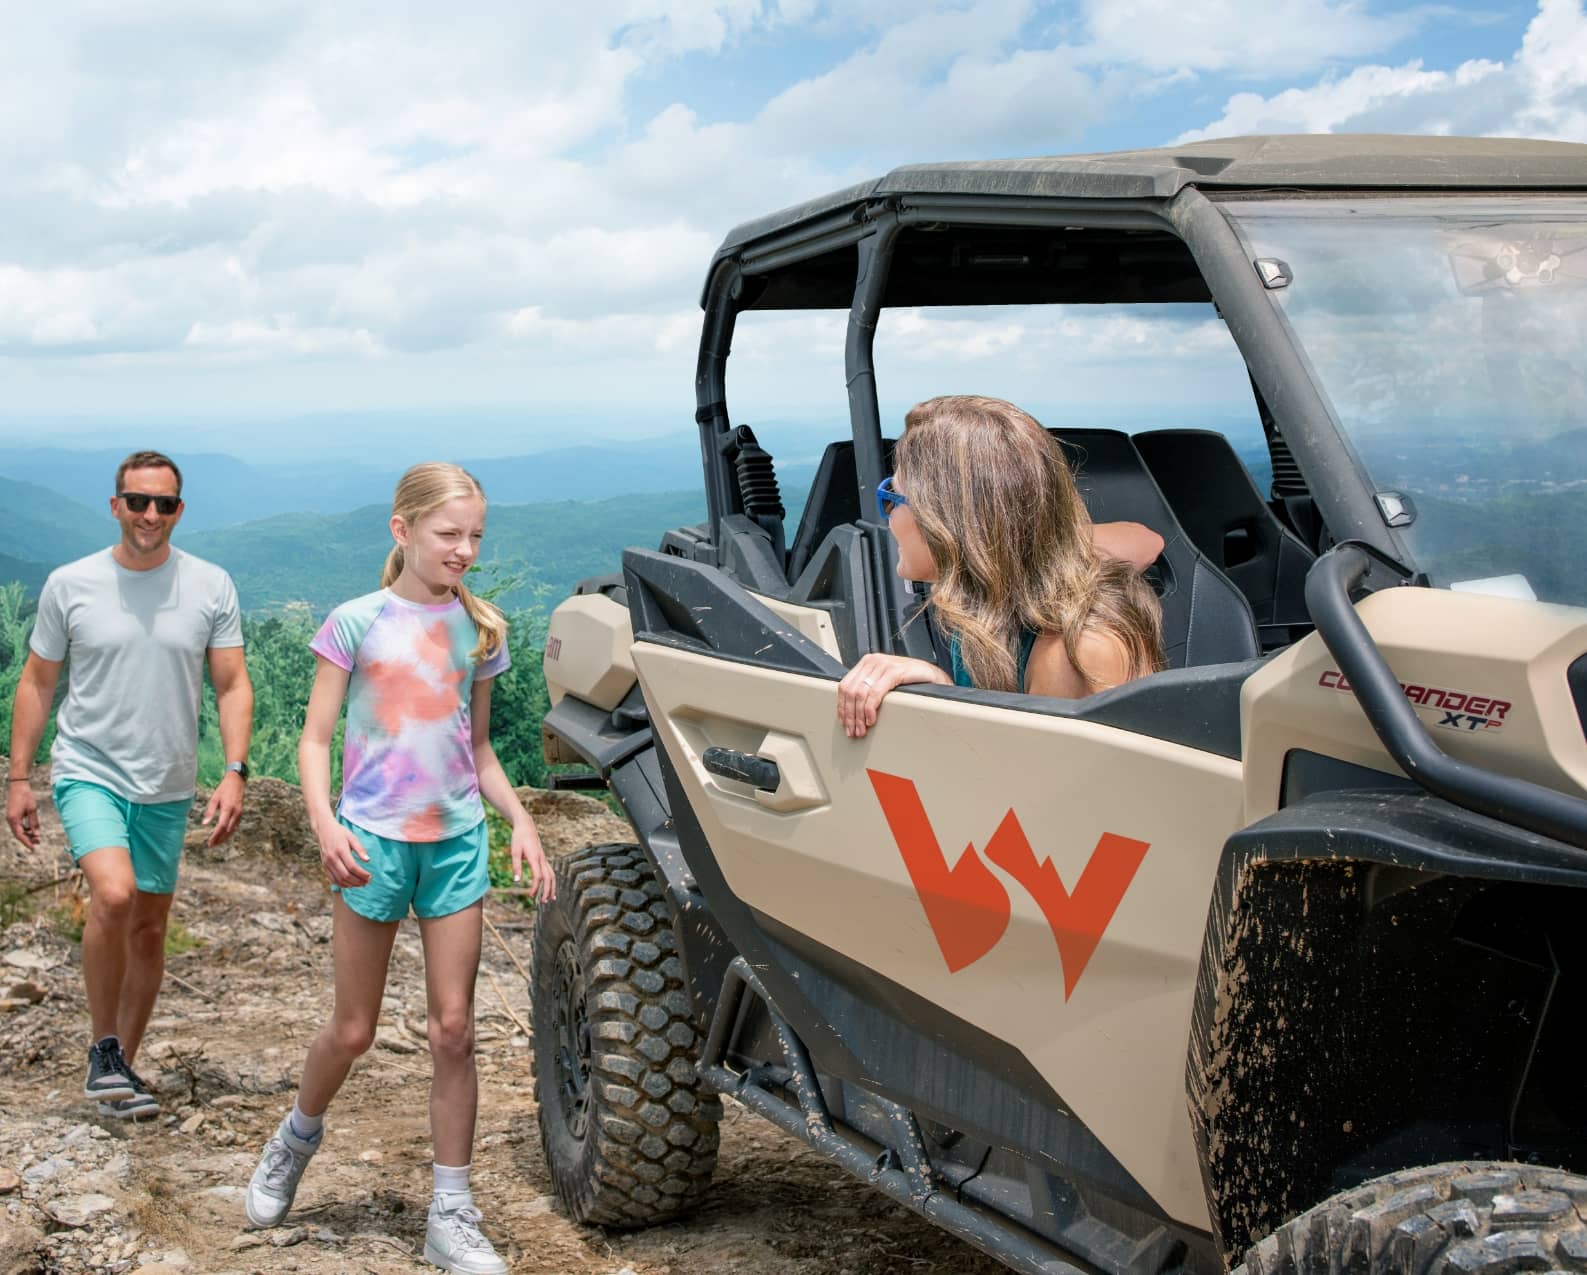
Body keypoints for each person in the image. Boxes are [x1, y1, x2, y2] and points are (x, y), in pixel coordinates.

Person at [244, 461, 553, 1275]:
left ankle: (451, 1212)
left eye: (475, 535)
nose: (464, 550)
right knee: (354, 1028)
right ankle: (295, 1136)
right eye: (448, 533)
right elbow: (315, 738)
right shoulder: (355, 622)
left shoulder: (480, 629)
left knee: (455, 1029)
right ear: (402, 529)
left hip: (454, 843)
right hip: (371, 841)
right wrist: (323, 823)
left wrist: (519, 819)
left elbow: (477, 748)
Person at [6, 450, 253, 1120]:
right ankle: (105, 1046)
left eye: (163, 504)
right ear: (115, 505)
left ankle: (119, 1074)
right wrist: (19, 776)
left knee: (148, 926)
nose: (150, 514)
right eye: (138, 501)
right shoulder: (71, 584)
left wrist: (234, 770)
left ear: (179, 510)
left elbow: (232, 683)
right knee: (114, 893)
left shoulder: (209, 585)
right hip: (89, 768)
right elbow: (38, 681)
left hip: (168, 782)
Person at [838, 395, 1164, 738]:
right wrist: (941, 688)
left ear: (945, 520)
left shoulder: (1071, 652)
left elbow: (1025, 772)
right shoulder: (987, 607)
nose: (888, 515)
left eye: (893, 497)